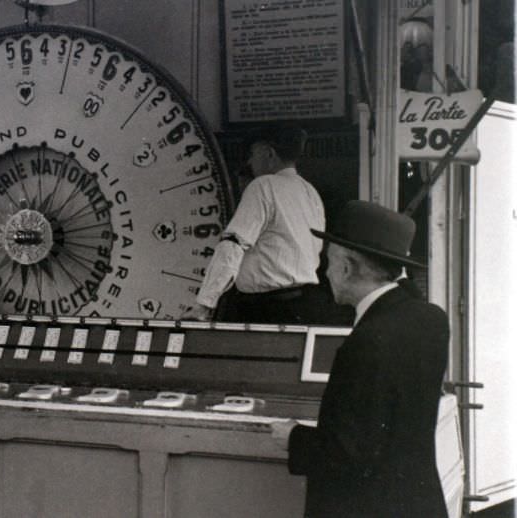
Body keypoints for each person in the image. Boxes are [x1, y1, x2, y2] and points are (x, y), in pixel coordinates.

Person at [270, 201, 449, 518]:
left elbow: (348, 454)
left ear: (347, 268)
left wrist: (293, 436)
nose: (323, 272)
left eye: (328, 262)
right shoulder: (432, 319)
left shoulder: (366, 343)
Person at [182, 125, 326, 323]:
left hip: (267, 308)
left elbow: (233, 245)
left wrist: (205, 304)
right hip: (305, 305)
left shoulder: (263, 185)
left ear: (268, 153)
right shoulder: (310, 192)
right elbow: (316, 247)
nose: (249, 162)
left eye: (252, 154)